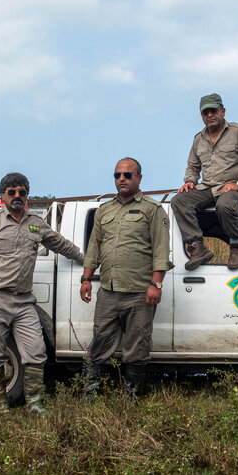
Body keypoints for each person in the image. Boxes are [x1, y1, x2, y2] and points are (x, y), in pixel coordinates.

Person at [0, 173, 85, 413]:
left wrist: (85, 258)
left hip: (23, 301)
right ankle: (0, 404)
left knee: (36, 352)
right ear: (2, 196)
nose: (17, 196)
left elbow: (60, 244)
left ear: (27, 195)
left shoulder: (35, 223)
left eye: (22, 192)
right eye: (12, 192)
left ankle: (34, 404)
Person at [79, 158, 171, 399]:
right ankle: (92, 394)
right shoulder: (104, 210)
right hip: (108, 291)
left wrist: (156, 284)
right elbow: (94, 248)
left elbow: (161, 250)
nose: (122, 179)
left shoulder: (152, 209)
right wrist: (86, 279)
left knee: (137, 345)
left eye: (128, 175)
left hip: (140, 292)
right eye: (118, 175)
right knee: (100, 342)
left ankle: (131, 395)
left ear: (139, 178)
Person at [173, 92, 238, 270]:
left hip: (233, 188)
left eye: (213, 111)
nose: (209, 115)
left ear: (222, 111)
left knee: (225, 206)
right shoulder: (198, 139)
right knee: (179, 200)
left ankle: (236, 247)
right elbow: (193, 165)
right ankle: (196, 247)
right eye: (205, 113)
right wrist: (190, 180)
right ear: (201, 116)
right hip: (207, 187)